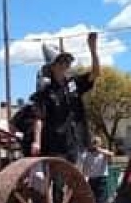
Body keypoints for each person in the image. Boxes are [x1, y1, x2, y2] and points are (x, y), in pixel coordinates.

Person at [30, 32, 100, 163]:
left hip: (77, 141)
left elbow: (95, 73)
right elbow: (39, 118)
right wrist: (36, 142)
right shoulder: (45, 92)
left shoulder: (74, 83)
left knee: (77, 179)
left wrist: (93, 49)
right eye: (61, 61)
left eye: (67, 61)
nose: (65, 64)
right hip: (55, 144)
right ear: (52, 66)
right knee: (59, 180)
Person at [79, 136, 114, 203]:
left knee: (101, 200)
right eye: (93, 142)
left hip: (101, 179)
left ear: (100, 143)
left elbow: (111, 154)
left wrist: (99, 150)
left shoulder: (103, 152)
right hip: (91, 179)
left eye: (97, 142)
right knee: (91, 200)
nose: (95, 144)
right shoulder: (87, 153)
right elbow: (80, 159)